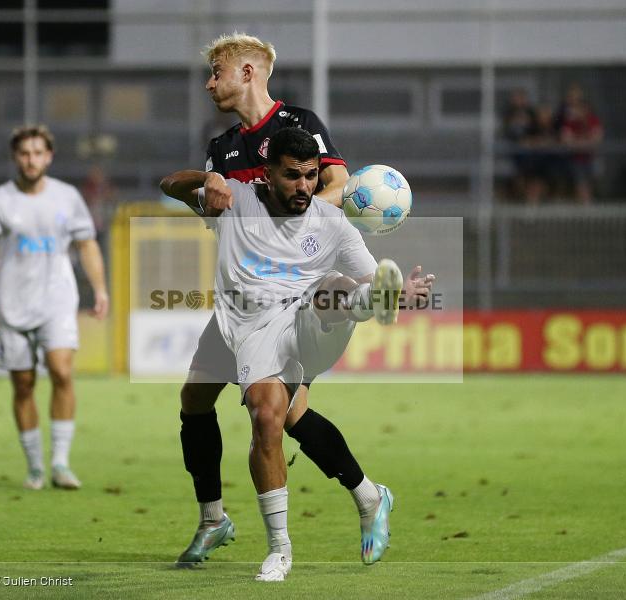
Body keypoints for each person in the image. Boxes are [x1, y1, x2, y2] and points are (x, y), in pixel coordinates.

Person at [161, 127, 434, 580]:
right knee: (269, 418)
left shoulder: (332, 223)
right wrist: (206, 180)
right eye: (292, 176)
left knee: (333, 287)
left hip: (308, 325)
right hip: (250, 328)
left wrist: (397, 293)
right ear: (267, 173)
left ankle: (277, 549)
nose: (304, 186)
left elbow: (374, 275)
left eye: (311, 176)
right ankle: (348, 508)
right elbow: (169, 184)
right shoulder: (236, 201)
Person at [173, 33, 390, 568]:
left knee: (275, 414)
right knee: (198, 401)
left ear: (247, 72)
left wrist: (293, 223)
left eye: (217, 71)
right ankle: (216, 518)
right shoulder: (221, 147)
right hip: (244, 301)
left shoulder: (300, 124)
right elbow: (213, 205)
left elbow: (338, 186)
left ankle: (335, 516)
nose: (209, 83)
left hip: (298, 294)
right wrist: (216, 191)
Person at [0, 125, 109, 491]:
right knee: (23, 383)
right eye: (25, 153)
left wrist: (100, 289)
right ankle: (34, 467)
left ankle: (60, 463)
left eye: (38, 153)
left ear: (49, 157)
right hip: (11, 305)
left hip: (56, 301)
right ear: (16, 157)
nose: (31, 160)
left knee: (62, 371)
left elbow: (87, 244)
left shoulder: (67, 198)